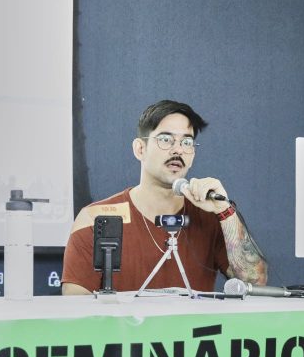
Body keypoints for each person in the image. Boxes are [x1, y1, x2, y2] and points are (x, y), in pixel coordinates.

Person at [61, 100, 268, 294]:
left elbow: (255, 284)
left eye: (187, 142)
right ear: (140, 149)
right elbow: (75, 311)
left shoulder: (211, 216)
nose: (178, 149)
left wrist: (225, 211)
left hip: (194, 333)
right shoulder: (95, 218)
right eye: (165, 139)